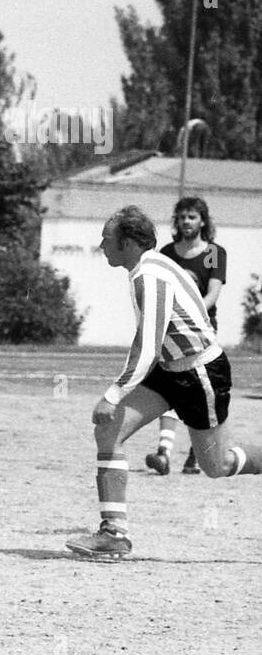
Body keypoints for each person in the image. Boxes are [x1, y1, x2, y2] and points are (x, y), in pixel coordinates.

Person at [66, 206, 261, 560]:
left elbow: (148, 345)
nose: (101, 245)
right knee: (109, 432)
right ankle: (114, 533)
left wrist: (113, 394)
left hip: (199, 374)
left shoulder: (149, 275)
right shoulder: (149, 266)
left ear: (126, 242)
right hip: (170, 369)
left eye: (106, 239)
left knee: (216, 466)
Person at [144, 196, 226, 476]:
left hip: (201, 329)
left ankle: (195, 453)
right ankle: (164, 452)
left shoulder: (214, 252)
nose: (186, 222)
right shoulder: (167, 252)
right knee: (171, 383)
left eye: (192, 217)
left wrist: (193, 312)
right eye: (181, 217)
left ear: (202, 220)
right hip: (170, 329)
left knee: (196, 391)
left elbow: (213, 292)